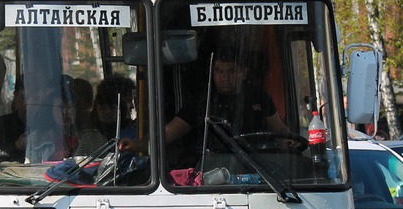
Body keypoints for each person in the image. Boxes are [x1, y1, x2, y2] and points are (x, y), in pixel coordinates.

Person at [122, 50, 286, 155]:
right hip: (212, 174)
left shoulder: (259, 97)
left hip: (260, 170)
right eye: (219, 71)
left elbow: (279, 130)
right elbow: (167, 133)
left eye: (231, 71)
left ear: (244, 73)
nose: (224, 77)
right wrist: (139, 145)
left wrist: (290, 142)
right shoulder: (202, 101)